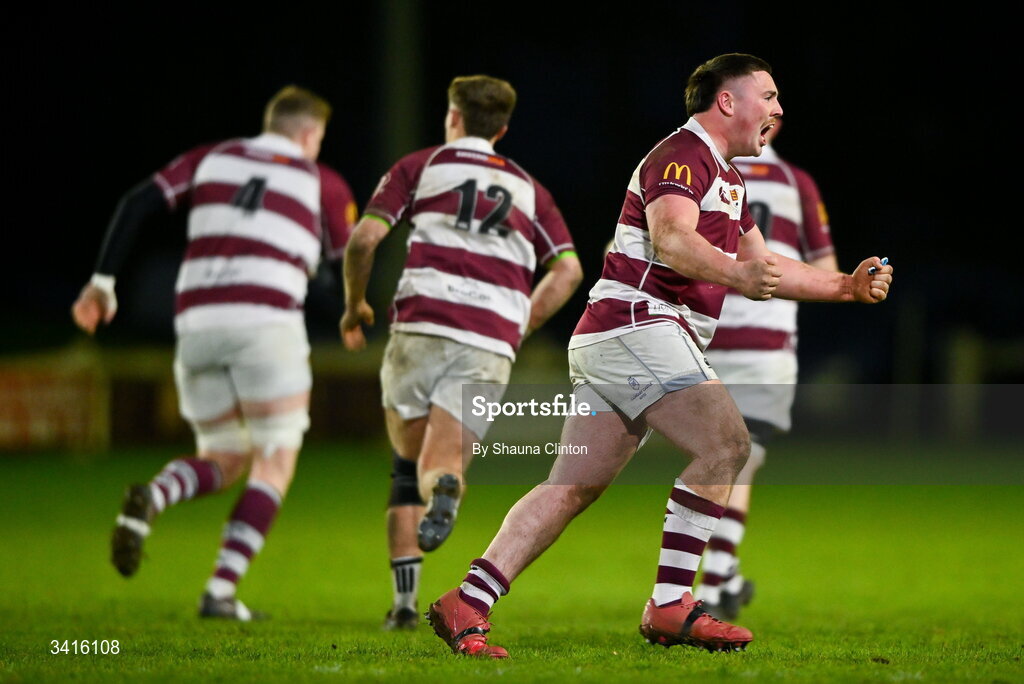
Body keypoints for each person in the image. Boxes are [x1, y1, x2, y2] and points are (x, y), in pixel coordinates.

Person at [426, 53, 893, 658]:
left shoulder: (727, 175)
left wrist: (845, 287)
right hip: (638, 325)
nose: (779, 109)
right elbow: (673, 239)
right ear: (727, 102)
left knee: (571, 487)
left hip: (619, 337)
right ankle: (671, 603)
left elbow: (766, 264)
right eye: (770, 96)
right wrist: (736, 275)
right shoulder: (681, 154)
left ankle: (468, 600)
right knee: (726, 443)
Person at [71, 85, 357, 620]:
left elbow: (137, 202)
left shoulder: (211, 158)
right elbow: (346, 269)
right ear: (311, 133)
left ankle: (152, 499)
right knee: (274, 457)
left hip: (197, 324)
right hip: (266, 323)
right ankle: (221, 590)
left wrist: (102, 283)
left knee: (223, 458)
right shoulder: (321, 180)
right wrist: (345, 305)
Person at [340, 74, 583, 631]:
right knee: (443, 463)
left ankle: (403, 605)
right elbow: (568, 269)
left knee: (406, 463)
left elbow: (363, 240)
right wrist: (518, 323)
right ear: (502, 129)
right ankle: (445, 486)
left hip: (423, 323)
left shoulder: (422, 166)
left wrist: (354, 307)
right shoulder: (529, 189)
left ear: (452, 117)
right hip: (488, 339)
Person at [695, 119, 838, 619]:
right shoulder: (797, 183)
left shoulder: (703, 172)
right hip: (766, 343)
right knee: (742, 461)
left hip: (700, 333)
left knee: (719, 460)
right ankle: (714, 587)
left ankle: (722, 578)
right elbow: (825, 267)